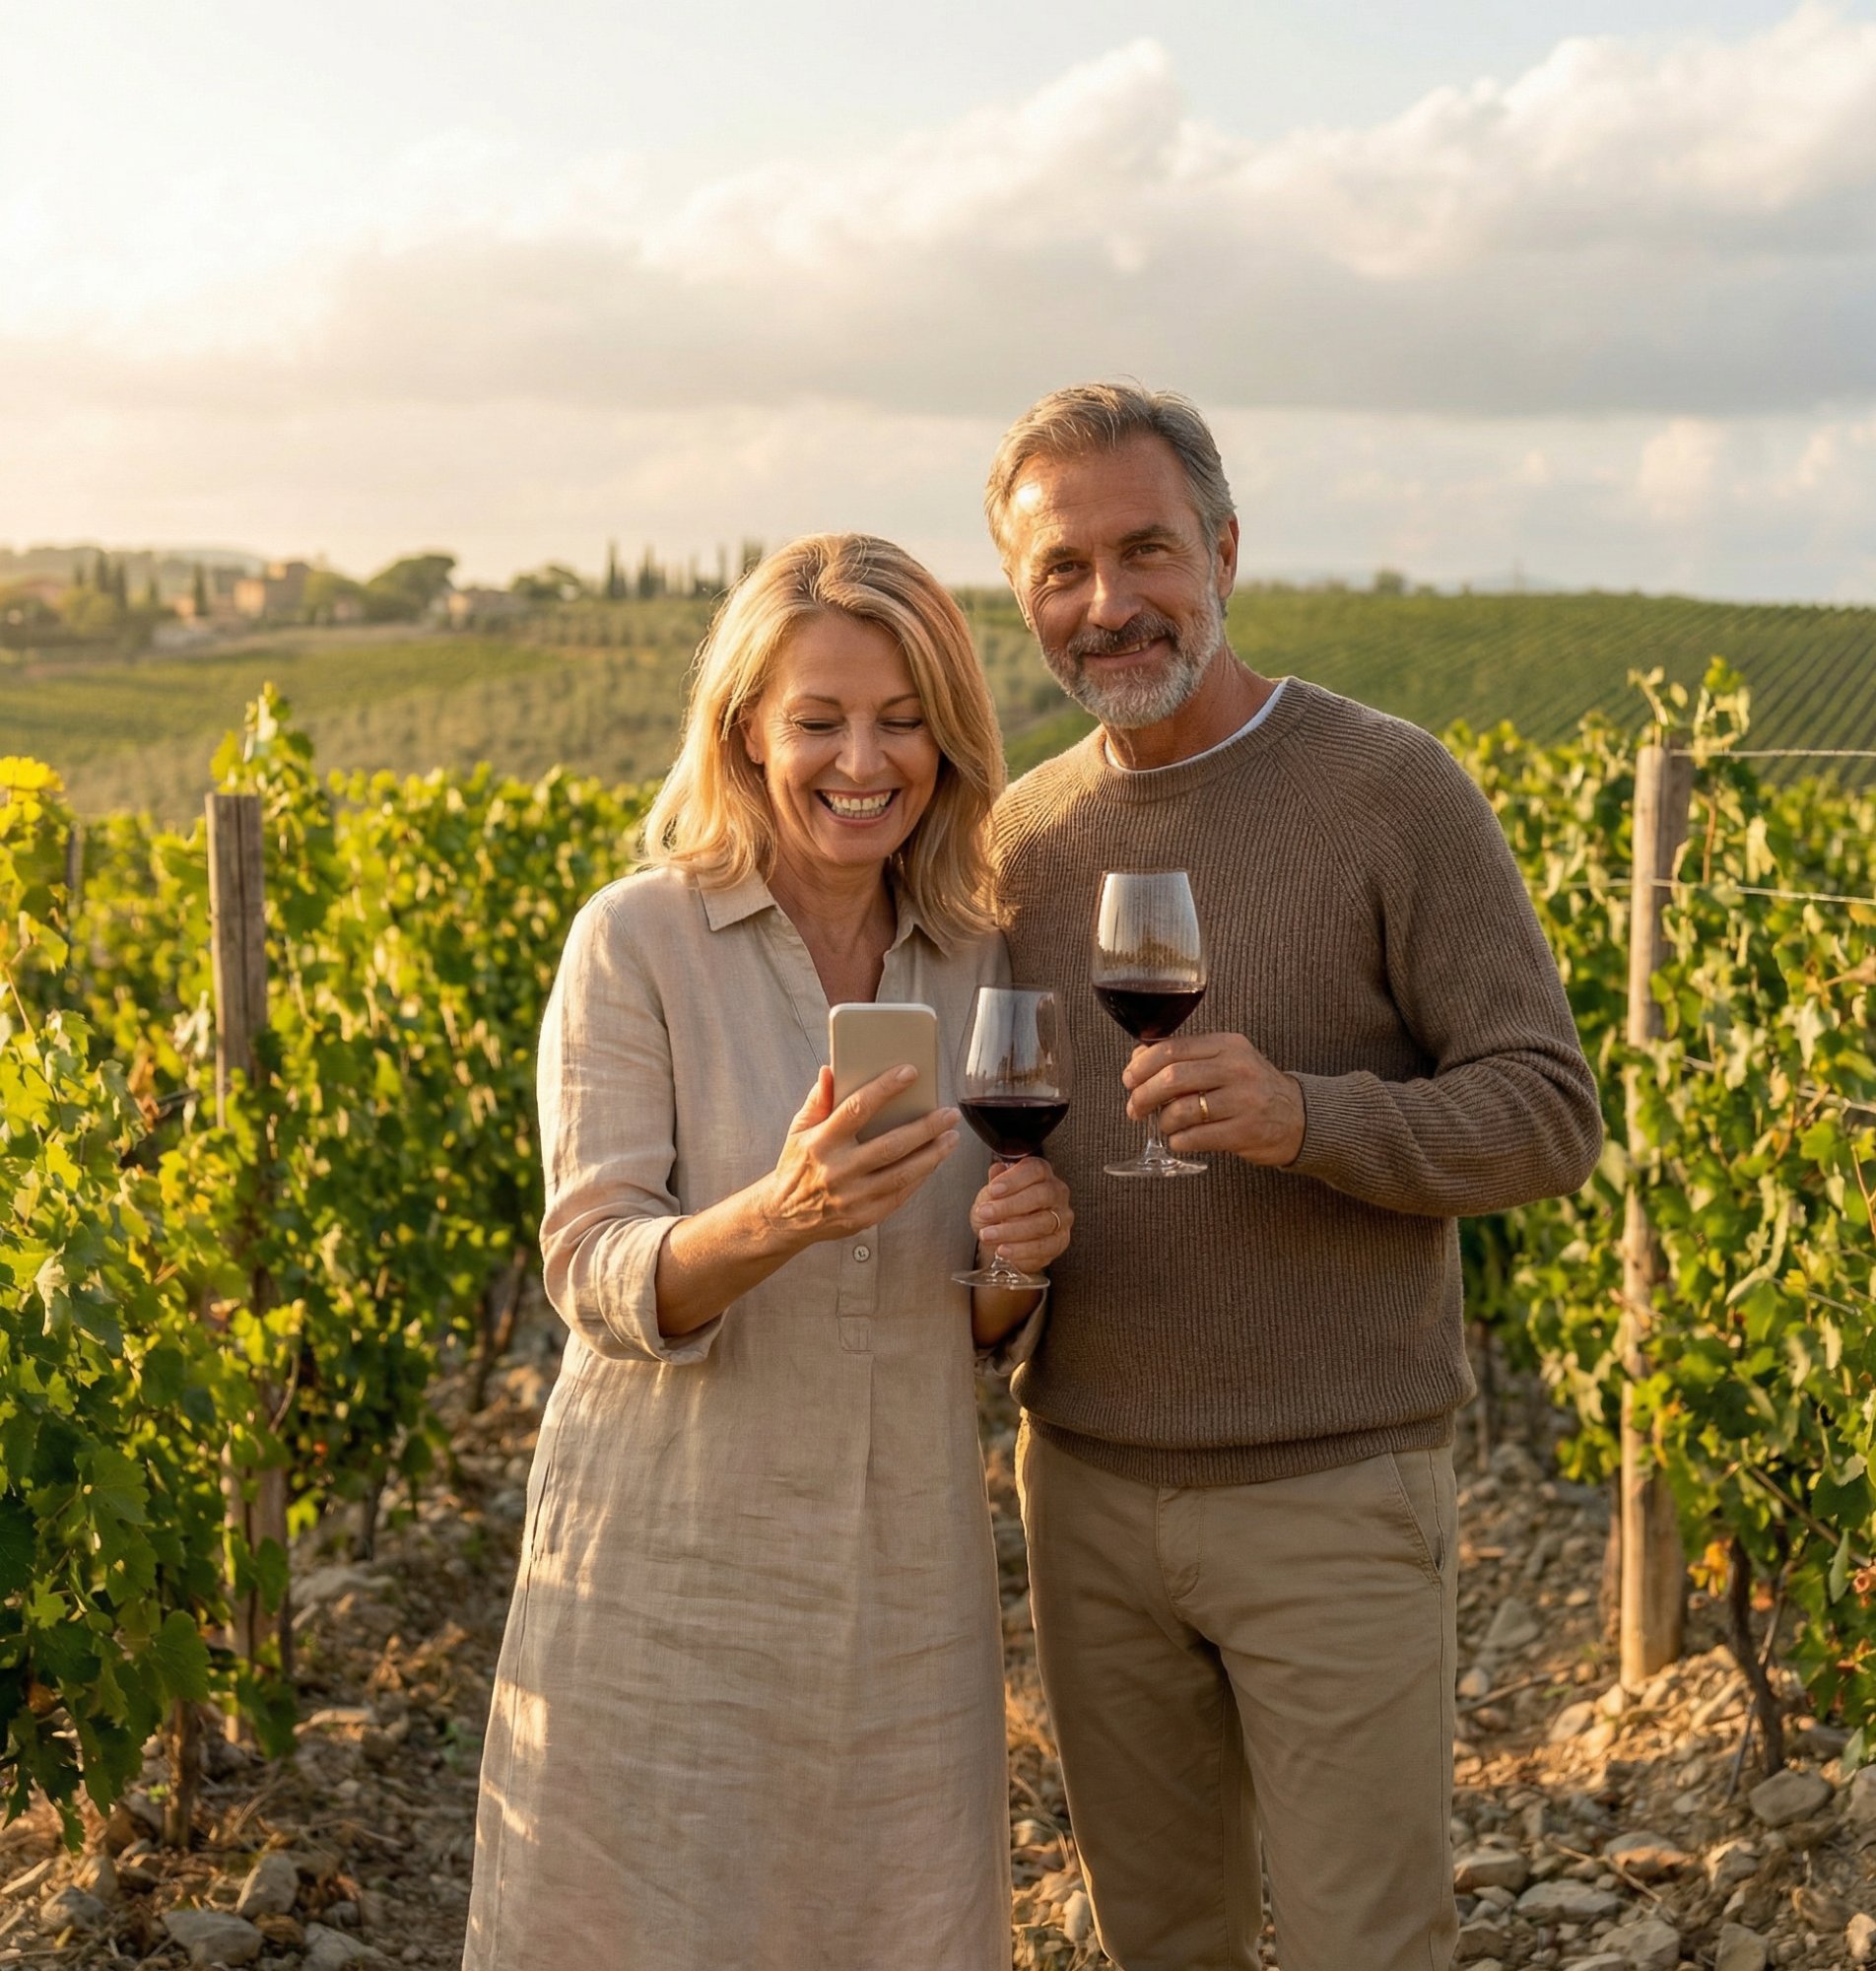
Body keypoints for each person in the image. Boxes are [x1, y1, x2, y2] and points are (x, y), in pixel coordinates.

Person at [984, 385, 1603, 1971]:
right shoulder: (1020, 842)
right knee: (1160, 1942)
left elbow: (1548, 1115)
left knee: (1365, 1946)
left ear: (1226, 552)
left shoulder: (1393, 790)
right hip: (1086, 1497)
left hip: (1332, 1494)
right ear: (1021, 593)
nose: (1108, 602)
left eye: (1146, 550)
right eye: (1063, 568)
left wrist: (1307, 1118)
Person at [465, 533, 1073, 1971]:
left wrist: (1017, 1262)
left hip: (900, 1571)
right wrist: (778, 1213)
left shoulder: (977, 959)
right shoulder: (637, 941)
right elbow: (594, 1268)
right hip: (674, 1560)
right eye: (819, 720)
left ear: (949, 737)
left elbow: (972, 1325)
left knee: (895, 1924)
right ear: (745, 730)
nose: (864, 761)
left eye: (903, 718)